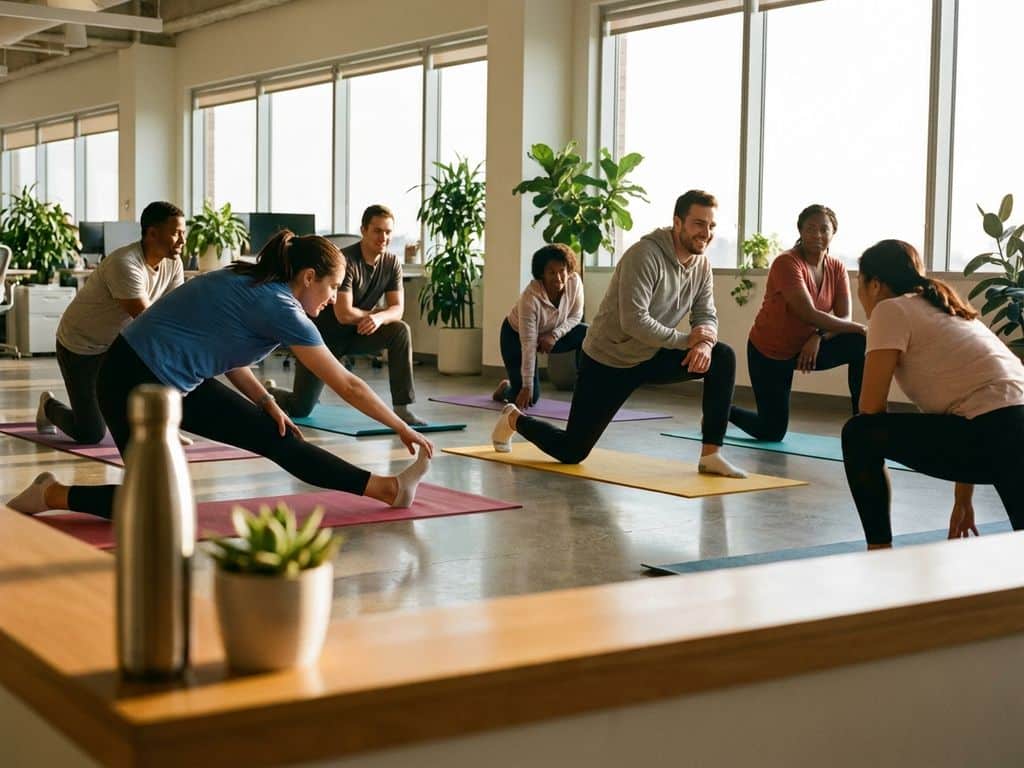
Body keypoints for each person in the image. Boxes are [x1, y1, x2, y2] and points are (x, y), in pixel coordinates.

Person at [8, 231, 434, 520]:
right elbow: (348, 383)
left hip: (170, 379)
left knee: (278, 435)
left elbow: (227, 354)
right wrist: (400, 427)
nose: (335, 299)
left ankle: (388, 489)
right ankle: (52, 493)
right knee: (155, 504)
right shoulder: (279, 304)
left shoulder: (253, 281)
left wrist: (267, 402)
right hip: (130, 380)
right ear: (308, 277)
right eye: (334, 287)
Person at [490, 190, 748, 478]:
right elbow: (634, 322)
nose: (706, 233)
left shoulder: (701, 266)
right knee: (572, 451)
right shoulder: (645, 255)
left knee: (722, 356)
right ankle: (514, 418)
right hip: (608, 360)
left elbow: (705, 313)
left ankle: (711, 455)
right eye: (699, 224)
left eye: (711, 226)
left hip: (651, 354)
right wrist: (689, 340)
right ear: (678, 223)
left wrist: (705, 342)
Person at [841, 239, 1024, 549]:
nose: (861, 296)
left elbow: (870, 408)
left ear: (874, 284)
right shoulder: (949, 309)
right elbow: (974, 405)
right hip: (1007, 431)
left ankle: (879, 550)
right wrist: (963, 500)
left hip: (994, 437)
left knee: (859, 433)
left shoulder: (890, 309)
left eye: (860, 285)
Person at [36, 201, 186, 444]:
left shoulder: (174, 263)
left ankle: (162, 424)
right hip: (81, 345)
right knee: (90, 433)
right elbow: (148, 321)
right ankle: (48, 407)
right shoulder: (125, 263)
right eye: (176, 233)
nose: (182, 240)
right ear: (152, 233)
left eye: (183, 233)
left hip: (117, 344)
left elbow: (174, 310)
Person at [267, 204, 424, 425]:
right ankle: (270, 392)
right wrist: (374, 314)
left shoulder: (392, 263)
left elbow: (397, 309)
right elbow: (343, 313)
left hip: (358, 335)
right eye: (377, 231)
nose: (384, 237)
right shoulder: (345, 261)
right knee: (300, 408)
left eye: (388, 232)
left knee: (399, 331)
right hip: (323, 339)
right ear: (363, 230)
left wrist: (378, 318)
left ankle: (402, 408)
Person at [729, 204, 866, 441]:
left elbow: (843, 318)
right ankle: (720, 411)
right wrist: (863, 328)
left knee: (860, 345)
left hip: (809, 349)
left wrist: (817, 337)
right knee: (771, 431)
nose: (818, 235)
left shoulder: (837, 267)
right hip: (771, 352)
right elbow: (808, 313)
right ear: (800, 231)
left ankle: (863, 423)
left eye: (824, 229)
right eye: (811, 229)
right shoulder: (786, 263)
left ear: (833, 232)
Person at [492, 243, 587, 410]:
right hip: (515, 337)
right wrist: (527, 387)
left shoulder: (574, 282)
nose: (558, 278)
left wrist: (554, 335)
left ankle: (587, 389)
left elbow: (575, 316)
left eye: (562, 271)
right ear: (542, 274)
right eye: (551, 272)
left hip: (551, 335)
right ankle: (506, 389)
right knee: (530, 398)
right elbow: (528, 345)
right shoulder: (530, 298)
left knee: (589, 333)